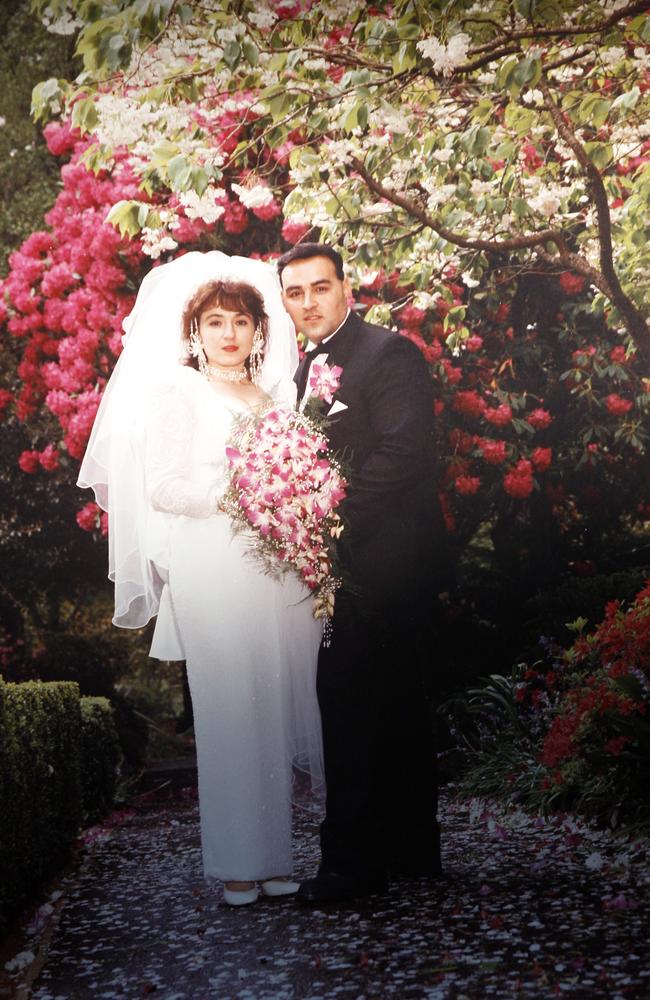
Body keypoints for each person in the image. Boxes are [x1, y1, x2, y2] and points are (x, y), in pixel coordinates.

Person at [78, 252, 324, 907]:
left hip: (270, 569)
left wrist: (290, 502)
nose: (228, 333)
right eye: (214, 322)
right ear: (196, 330)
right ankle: (237, 864)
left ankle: (274, 858)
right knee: (228, 711)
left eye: (239, 321)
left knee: (269, 710)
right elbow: (164, 488)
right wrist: (244, 493)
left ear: (256, 329)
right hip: (211, 567)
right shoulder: (177, 392)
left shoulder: (273, 395)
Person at [277, 243, 442, 904]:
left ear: (347, 288)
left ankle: (351, 867)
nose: (309, 302)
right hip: (352, 567)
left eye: (320, 287)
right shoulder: (301, 369)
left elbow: (404, 451)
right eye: (295, 292)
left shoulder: (387, 353)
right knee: (389, 708)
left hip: (390, 560)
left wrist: (329, 522)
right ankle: (409, 850)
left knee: (353, 709)